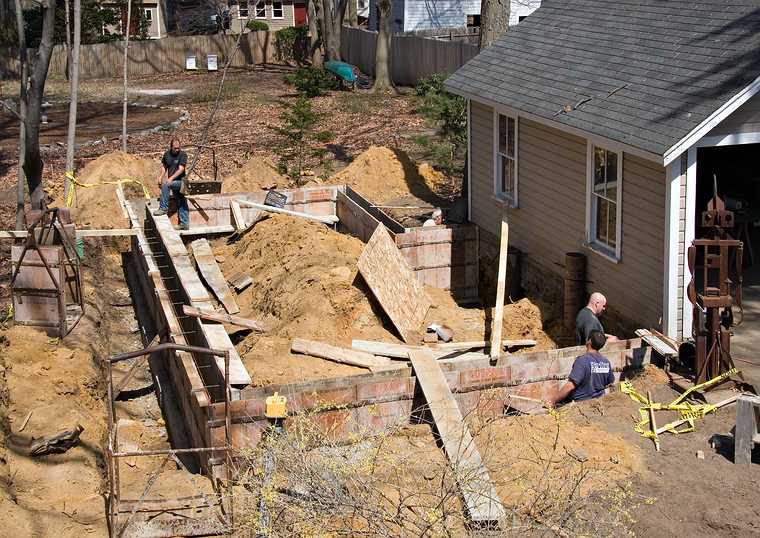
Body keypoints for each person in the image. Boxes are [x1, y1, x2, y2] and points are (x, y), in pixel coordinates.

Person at [545, 330, 615, 406]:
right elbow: (610, 381)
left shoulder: (582, 361)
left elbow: (570, 386)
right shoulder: (606, 362)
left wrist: (553, 400)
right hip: (598, 401)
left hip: (580, 403)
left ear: (589, 341)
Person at [153, 137, 189, 230]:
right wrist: (161, 176)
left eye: (178, 148)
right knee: (180, 200)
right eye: (175, 148)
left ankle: (163, 208)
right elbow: (164, 166)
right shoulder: (167, 155)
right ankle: (184, 224)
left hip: (181, 182)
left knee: (166, 184)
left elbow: (181, 169)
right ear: (171, 147)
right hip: (173, 182)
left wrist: (171, 178)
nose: (177, 150)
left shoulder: (183, 155)